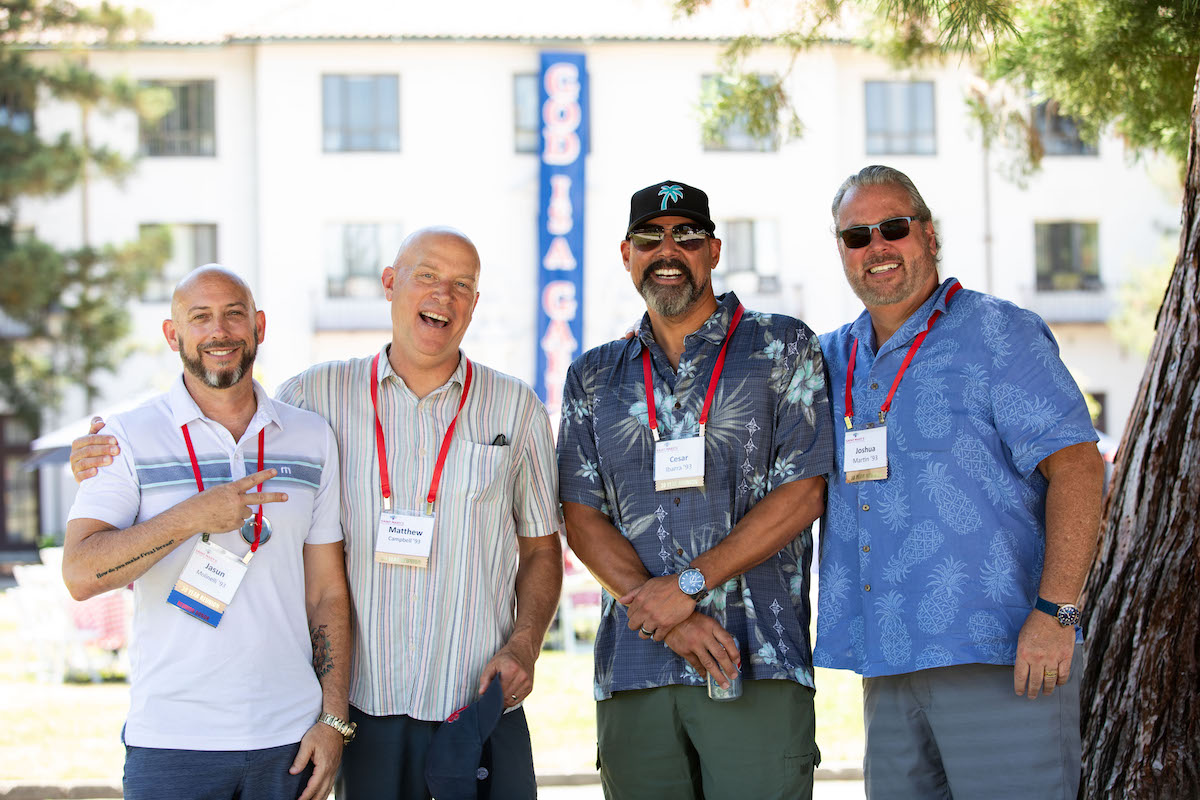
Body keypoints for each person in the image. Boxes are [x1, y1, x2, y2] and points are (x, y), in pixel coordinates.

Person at [71, 228, 562, 800]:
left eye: (462, 285)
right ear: (390, 284)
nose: (442, 296)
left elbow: (542, 548)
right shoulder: (313, 397)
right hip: (360, 707)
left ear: (475, 304)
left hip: (475, 700)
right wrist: (102, 458)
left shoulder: (514, 406)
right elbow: (231, 414)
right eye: (427, 275)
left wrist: (525, 645)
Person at [815, 165, 1105, 798]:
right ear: (841, 251)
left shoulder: (1001, 333)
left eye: (893, 227)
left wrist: (1057, 613)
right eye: (856, 236)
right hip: (885, 662)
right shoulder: (828, 358)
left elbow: (1079, 467)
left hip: (1002, 653)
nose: (877, 247)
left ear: (930, 235)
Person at [557, 180, 834, 800]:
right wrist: (665, 616)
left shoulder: (782, 346)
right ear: (626, 255)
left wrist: (687, 587)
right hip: (634, 667)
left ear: (713, 249)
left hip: (756, 659)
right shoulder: (594, 374)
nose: (667, 250)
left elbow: (805, 494)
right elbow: (580, 515)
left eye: (686, 236)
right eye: (649, 238)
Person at [62, 265, 351, 800]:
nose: (220, 331)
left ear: (259, 326)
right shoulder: (125, 437)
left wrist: (333, 720)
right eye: (200, 317)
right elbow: (80, 573)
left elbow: (328, 592)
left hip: (288, 740)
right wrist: (192, 516)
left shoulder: (311, 436)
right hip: (172, 741)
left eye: (234, 314)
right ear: (174, 336)